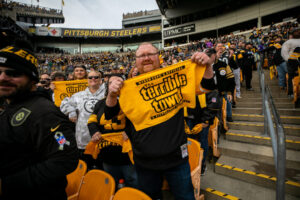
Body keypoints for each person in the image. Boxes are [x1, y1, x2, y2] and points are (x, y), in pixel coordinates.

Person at [105, 42, 215, 200]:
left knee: (186, 197)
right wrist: (111, 95)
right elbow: (110, 114)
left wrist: (208, 65)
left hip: (177, 159)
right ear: (135, 60)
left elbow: (208, 86)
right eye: (142, 56)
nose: (146, 58)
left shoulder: (175, 76)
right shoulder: (126, 86)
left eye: (151, 54)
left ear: (159, 57)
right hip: (145, 163)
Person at [0, 41, 78, 199]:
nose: (2, 78)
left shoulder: (45, 113)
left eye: (13, 73)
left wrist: (7, 183)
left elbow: (65, 156)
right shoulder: (9, 105)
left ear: (32, 79)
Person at [60, 70, 106, 169]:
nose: (93, 79)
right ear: (87, 80)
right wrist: (71, 111)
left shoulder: (107, 95)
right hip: (83, 138)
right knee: (85, 168)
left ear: (101, 80)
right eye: (90, 77)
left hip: (103, 137)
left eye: (96, 77)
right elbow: (64, 103)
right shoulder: (78, 95)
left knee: (102, 169)